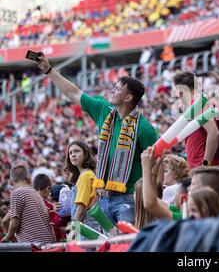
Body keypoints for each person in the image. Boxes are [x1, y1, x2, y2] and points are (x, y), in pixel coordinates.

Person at [34, 54, 158, 224]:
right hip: (103, 198)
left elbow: (156, 167)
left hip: (129, 200)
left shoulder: (145, 129)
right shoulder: (104, 110)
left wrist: (151, 201)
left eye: (118, 89)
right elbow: (74, 93)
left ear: (128, 98)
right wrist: (49, 70)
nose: (112, 91)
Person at [173, 72, 219, 169]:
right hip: (199, 167)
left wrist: (205, 164)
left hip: (203, 168)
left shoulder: (197, 104)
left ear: (180, 90)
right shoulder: (197, 104)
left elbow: (214, 133)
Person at [1, 165, 55, 243]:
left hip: (32, 244)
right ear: (29, 179)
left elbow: (14, 224)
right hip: (48, 242)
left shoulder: (16, 193)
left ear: (11, 182)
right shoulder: (36, 193)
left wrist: (7, 237)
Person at [64, 140, 101, 231]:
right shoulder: (85, 174)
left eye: (77, 151)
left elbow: (81, 209)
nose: (73, 155)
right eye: (70, 153)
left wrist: (73, 231)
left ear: (85, 154)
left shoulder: (85, 176)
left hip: (86, 227)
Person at [33, 174, 63, 242]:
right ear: (47, 188)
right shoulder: (50, 207)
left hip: (29, 242)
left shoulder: (29, 201)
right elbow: (52, 229)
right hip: (47, 243)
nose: (50, 193)